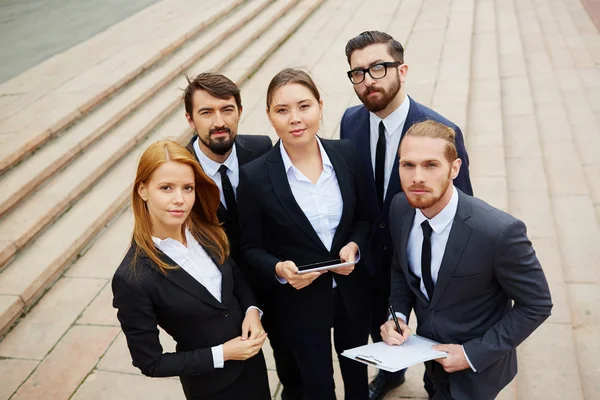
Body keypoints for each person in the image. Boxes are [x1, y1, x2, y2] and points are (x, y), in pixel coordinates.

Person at [339, 30, 473, 399]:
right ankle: (391, 374)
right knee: (378, 326)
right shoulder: (350, 121)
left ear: (403, 69)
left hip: (417, 255)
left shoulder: (440, 131)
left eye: (379, 68)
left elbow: (462, 204)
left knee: (431, 338)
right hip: (367, 255)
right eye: (358, 73)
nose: (369, 80)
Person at [381, 120, 553, 400]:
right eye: (408, 165)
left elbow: (536, 304)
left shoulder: (498, 233)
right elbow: (401, 269)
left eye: (431, 165)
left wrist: (471, 354)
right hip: (427, 353)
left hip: (477, 372)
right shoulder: (401, 208)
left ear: (455, 168)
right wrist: (397, 315)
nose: (417, 177)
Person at [237, 68, 371, 399]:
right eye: (282, 110)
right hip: (298, 302)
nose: (295, 119)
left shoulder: (347, 153)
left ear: (320, 106)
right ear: (269, 116)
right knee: (317, 385)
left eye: (304, 106)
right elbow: (250, 246)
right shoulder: (254, 176)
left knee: (357, 377)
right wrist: (278, 269)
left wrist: (355, 245)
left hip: (351, 292)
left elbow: (367, 218)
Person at [112, 141, 271, 400]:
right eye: (166, 188)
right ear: (142, 190)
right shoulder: (132, 277)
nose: (180, 200)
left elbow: (237, 280)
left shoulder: (208, 232)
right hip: (211, 388)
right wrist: (222, 353)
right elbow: (150, 363)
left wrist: (253, 311)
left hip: (253, 370)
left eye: (188, 188)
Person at [183, 73, 304, 399]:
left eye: (227, 109)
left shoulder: (261, 147)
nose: (219, 121)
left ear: (239, 111)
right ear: (190, 119)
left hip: (271, 279)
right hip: (219, 296)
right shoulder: (181, 171)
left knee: (295, 367)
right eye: (206, 112)